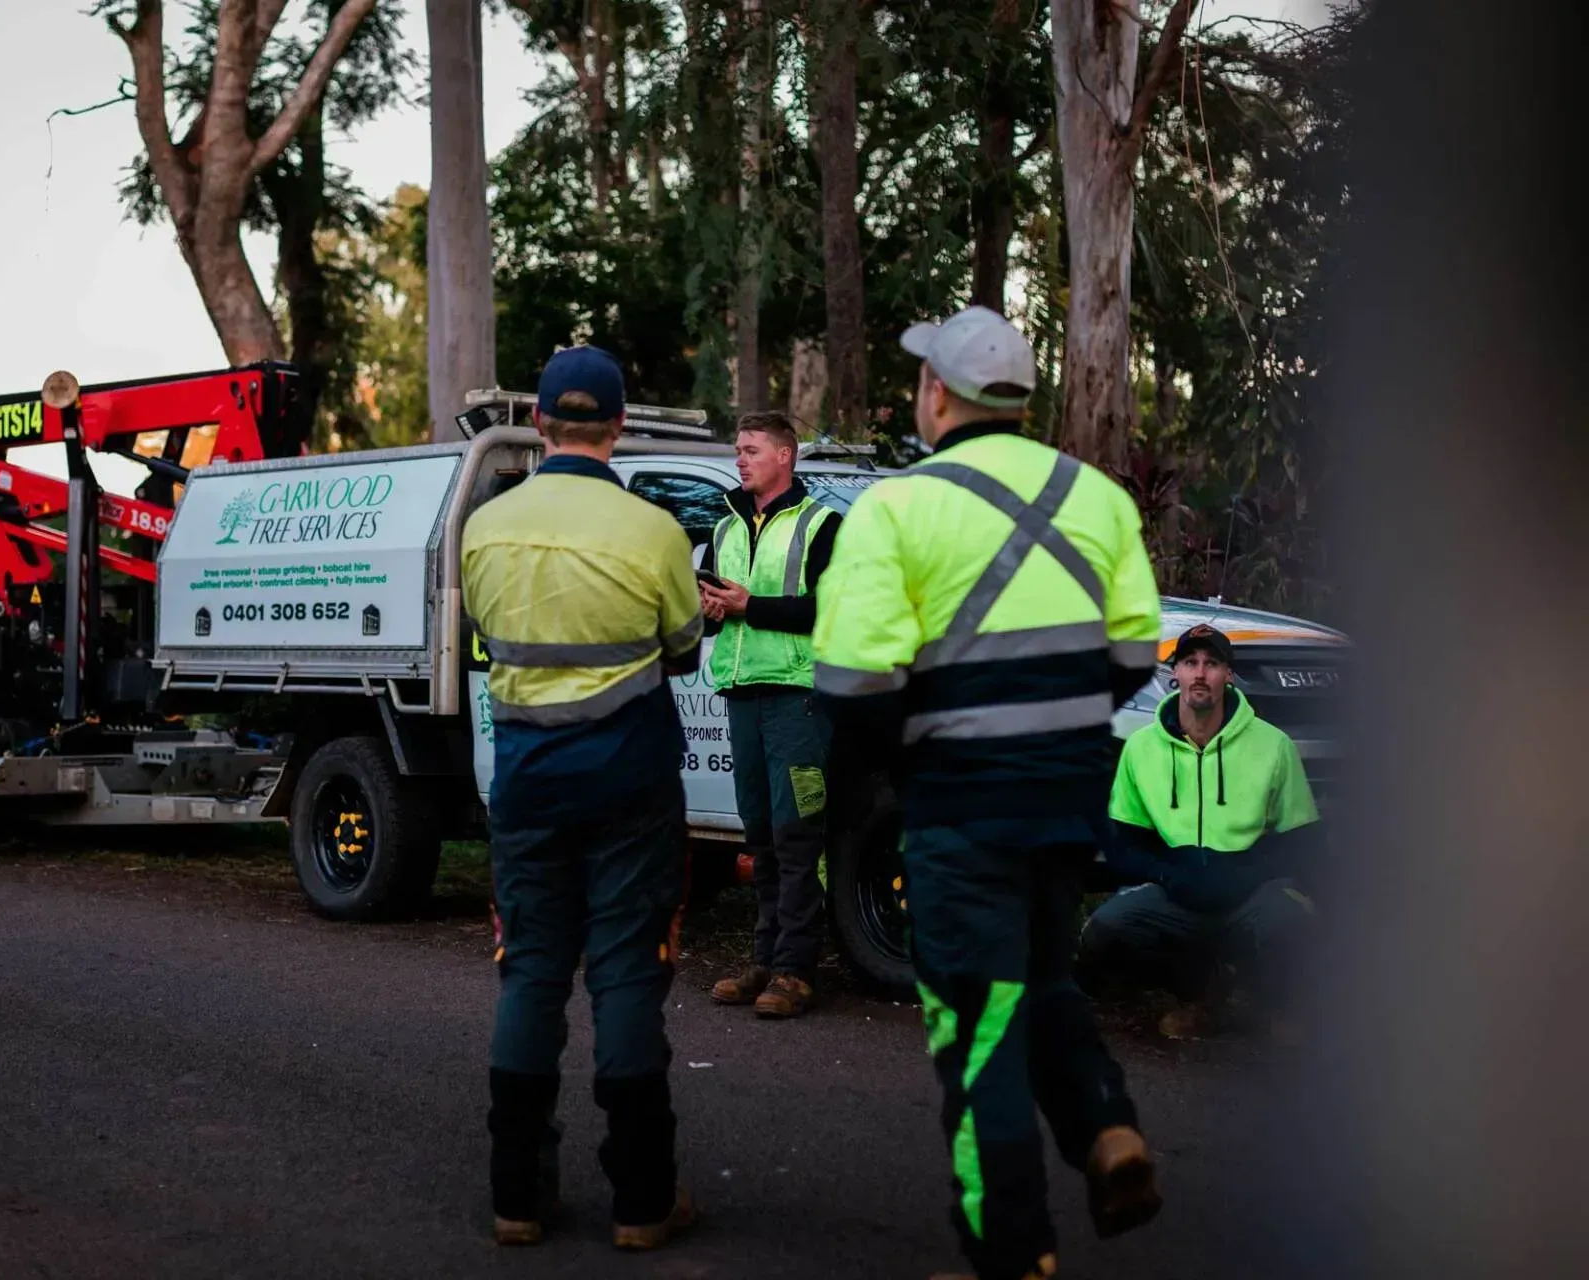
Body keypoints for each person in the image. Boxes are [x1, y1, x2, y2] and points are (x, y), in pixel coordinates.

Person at [812, 305, 1164, 1280]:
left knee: (977, 1031)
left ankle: (1011, 1254)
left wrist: (926, 750)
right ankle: (1106, 1127)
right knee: (1043, 983)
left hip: (960, 809)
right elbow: (1136, 653)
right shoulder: (1097, 497)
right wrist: (1048, 732)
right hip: (1067, 800)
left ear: (937, 393)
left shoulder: (894, 509)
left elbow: (851, 683)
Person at [461, 345, 702, 1251]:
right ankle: (642, 1202)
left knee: (530, 973)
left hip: (527, 785)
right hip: (630, 789)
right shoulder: (654, 532)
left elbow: (487, 634)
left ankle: (517, 1197)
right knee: (627, 974)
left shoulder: (485, 528)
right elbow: (684, 648)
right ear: (619, 425)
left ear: (539, 423)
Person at [1078, 624, 1323, 1041]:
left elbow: (1303, 842)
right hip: (1177, 893)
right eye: (1190, 662)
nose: (1200, 673)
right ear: (1175, 673)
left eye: (1212, 663)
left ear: (1228, 675)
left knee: (1292, 919)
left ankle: (1271, 1003)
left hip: (1248, 894)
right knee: (1106, 931)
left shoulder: (1274, 746)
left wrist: (1246, 875)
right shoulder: (1142, 748)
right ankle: (1197, 996)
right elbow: (1122, 844)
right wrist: (1167, 874)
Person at [699, 411, 840, 1019]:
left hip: (798, 697)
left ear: (785, 455)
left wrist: (750, 606)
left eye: (752, 449)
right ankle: (765, 960)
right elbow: (721, 612)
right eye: (738, 449)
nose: (740, 459)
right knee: (758, 834)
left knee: (796, 833)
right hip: (741, 692)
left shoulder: (822, 524)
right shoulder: (724, 524)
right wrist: (711, 609)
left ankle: (796, 971)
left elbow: (829, 611)